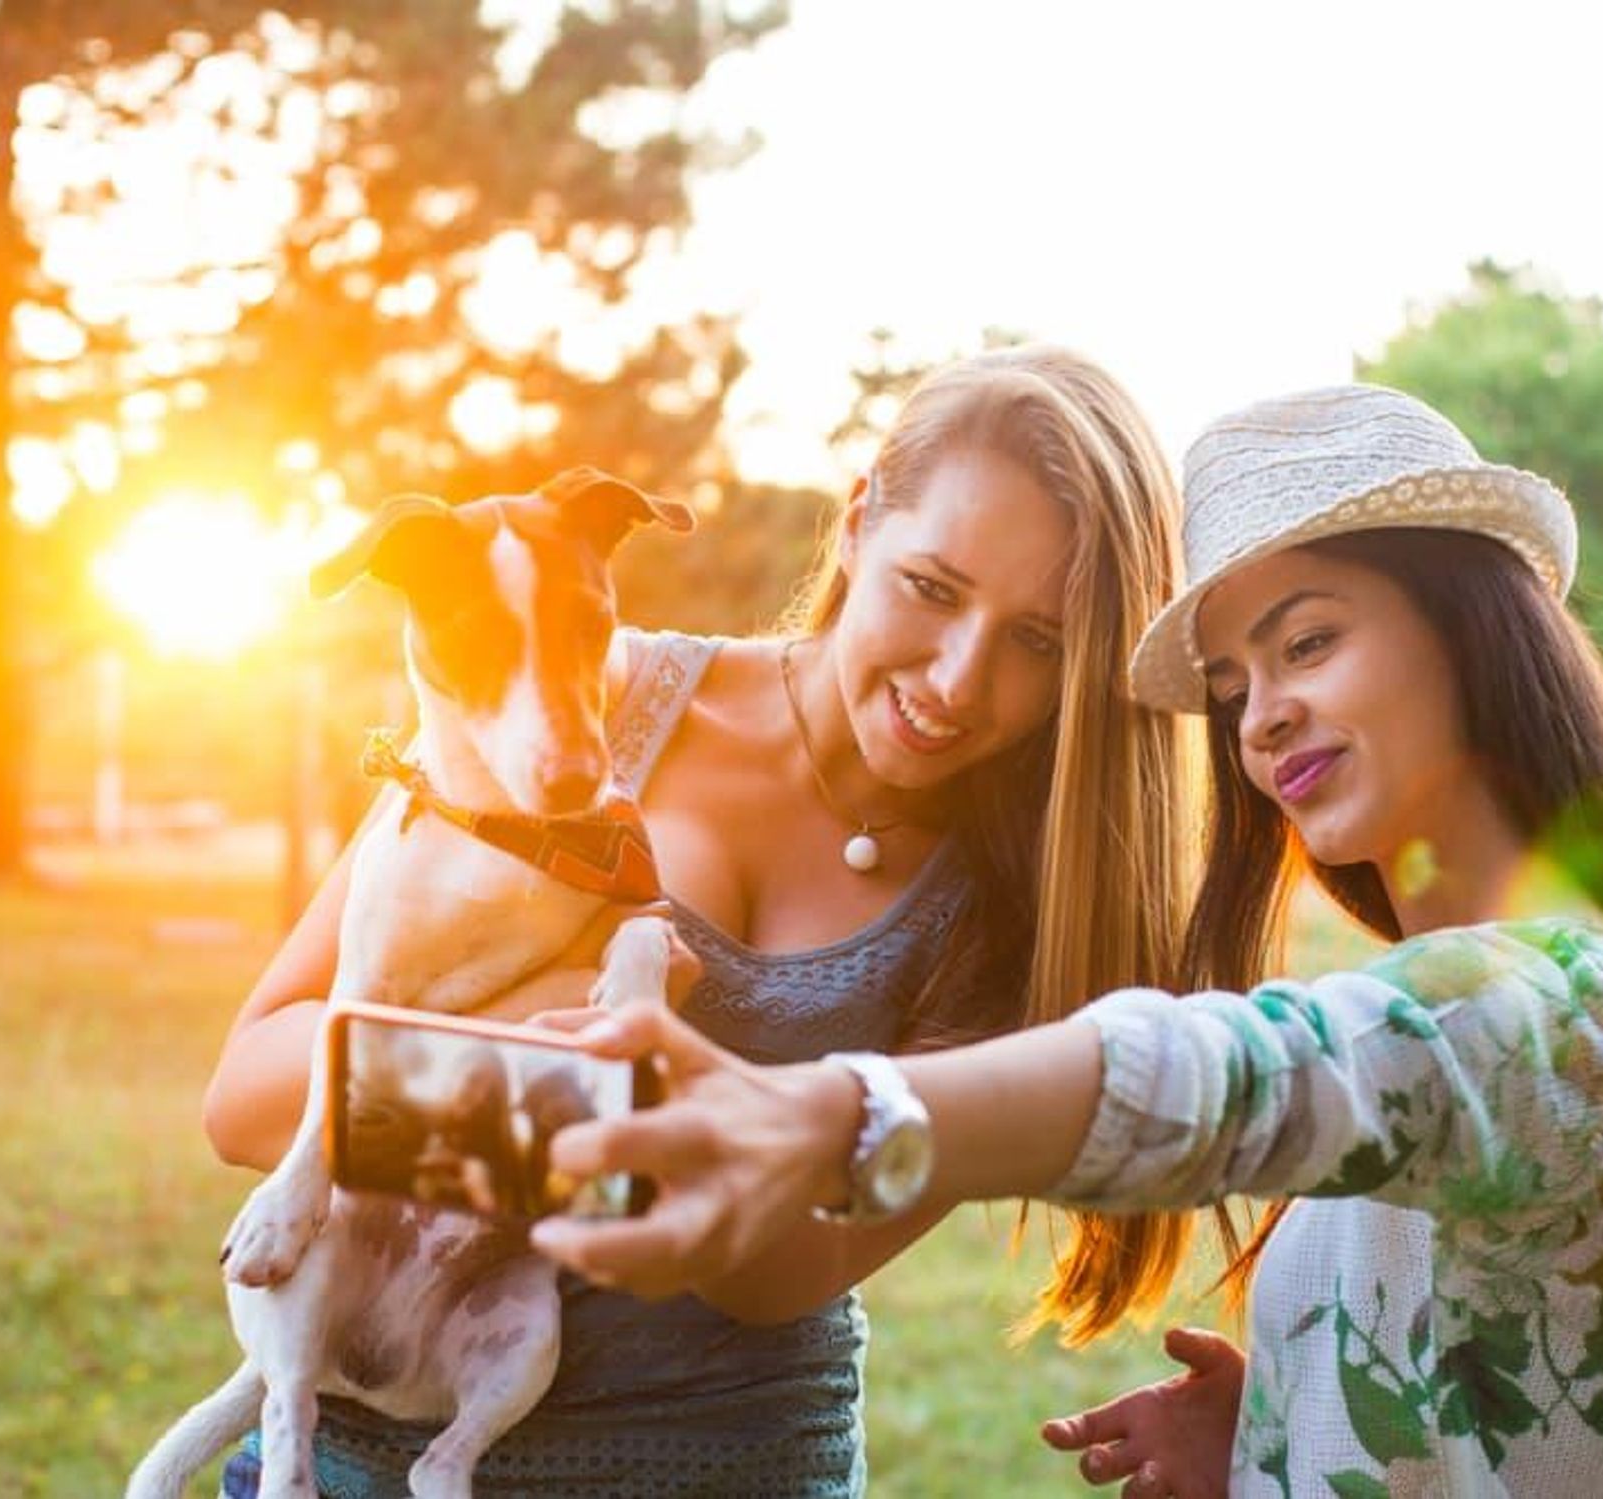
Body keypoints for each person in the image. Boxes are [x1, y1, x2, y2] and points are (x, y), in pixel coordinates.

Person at [527, 385, 1603, 1497]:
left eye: (1307, 639)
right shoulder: (1463, 995)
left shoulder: (1572, 1004)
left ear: (1472, 628)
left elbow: (1237, 1075)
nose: (1261, 717)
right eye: (1232, 684)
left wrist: (829, 1116)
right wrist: (1274, 1436)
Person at [197, 344, 1194, 1495]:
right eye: (932, 587)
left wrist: (583, 1080)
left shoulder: (1013, 907)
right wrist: (591, 1048)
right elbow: (248, 1097)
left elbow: (776, 1274)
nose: (959, 680)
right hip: (359, 1462)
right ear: (859, 520)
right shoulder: (576, 709)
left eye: (1037, 639)